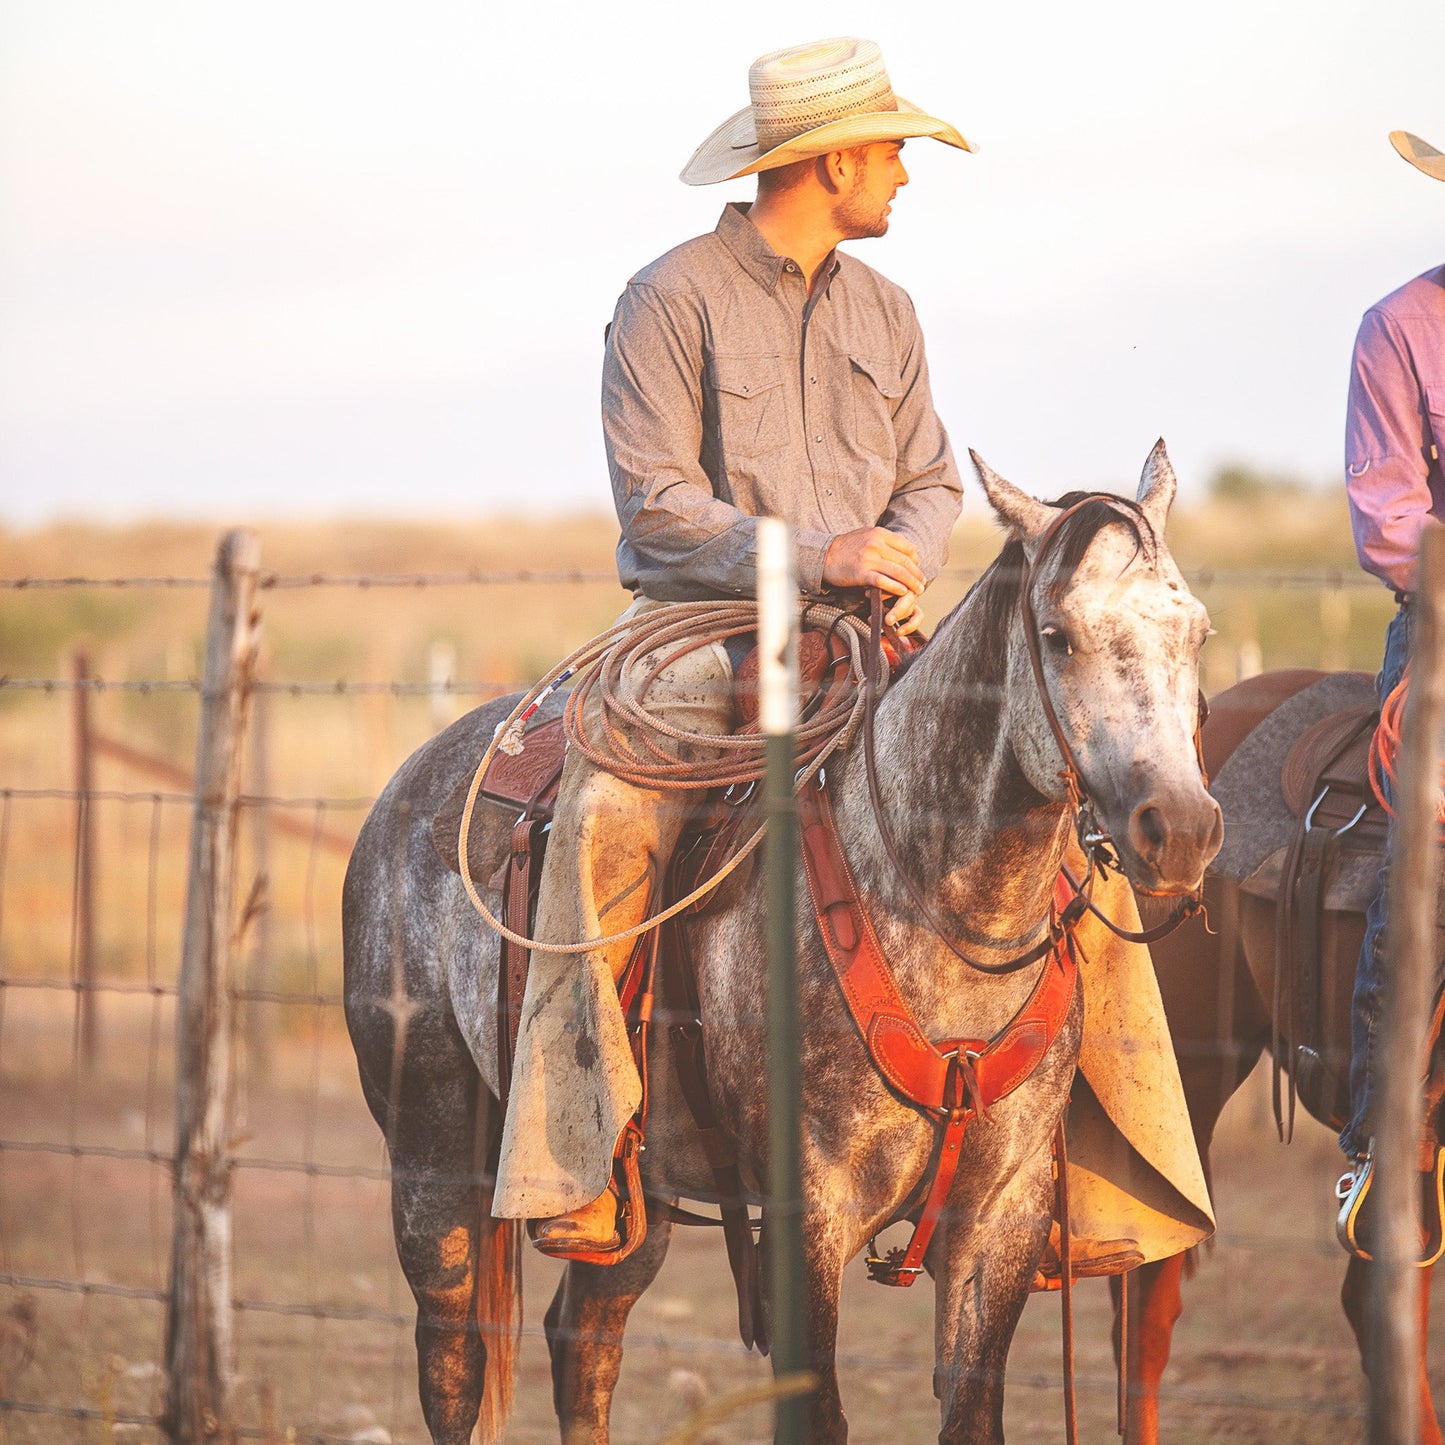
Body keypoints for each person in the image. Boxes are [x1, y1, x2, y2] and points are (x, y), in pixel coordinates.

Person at [491, 36, 972, 1256]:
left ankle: (1080, 1167)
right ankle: (575, 1150)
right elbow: (655, 508)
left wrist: (897, 560)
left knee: (1041, 801)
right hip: (699, 633)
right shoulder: (668, 298)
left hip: (872, 635)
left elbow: (927, 479)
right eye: (894, 153)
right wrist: (824, 556)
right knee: (600, 817)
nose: (905, 176)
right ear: (831, 160)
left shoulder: (890, 310)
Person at [1335, 129, 1445, 1255]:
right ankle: (1382, 1141)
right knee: (1427, 842)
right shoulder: (1401, 327)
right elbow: (1388, 518)